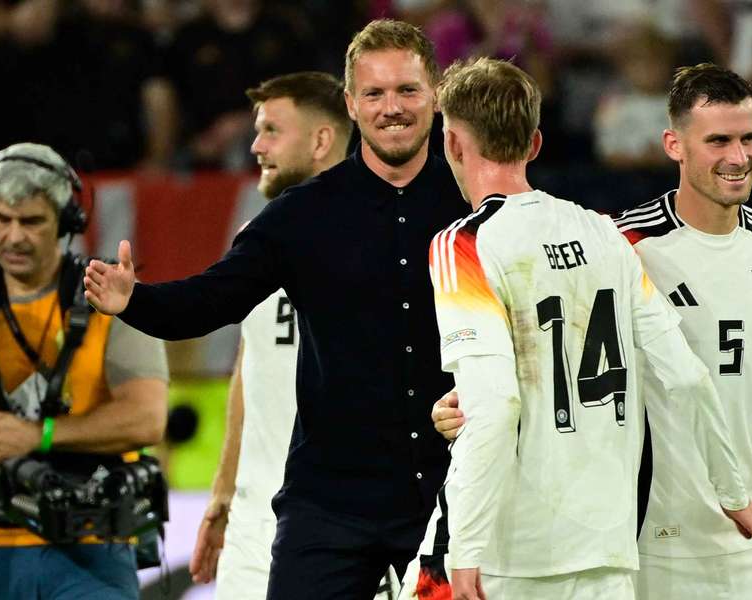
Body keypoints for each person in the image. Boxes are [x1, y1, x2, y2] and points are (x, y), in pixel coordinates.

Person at [84, 19, 467, 599]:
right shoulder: (299, 215)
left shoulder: (474, 204)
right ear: (350, 104)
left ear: (435, 95)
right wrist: (133, 299)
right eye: (375, 93)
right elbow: (209, 299)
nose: (393, 108)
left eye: (407, 90)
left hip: (452, 497)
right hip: (331, 507)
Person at [433, 62, 752, 600]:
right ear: (674, 144)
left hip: (734, 532)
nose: (738, 157)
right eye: (718, 140)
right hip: (643, 540)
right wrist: (468, 399)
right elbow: (558, 358)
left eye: (749, 138)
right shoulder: (619, 242)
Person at [187, 72, 353, 598]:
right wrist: (222, 493)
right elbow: (249, 365)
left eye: (272, 131)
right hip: (254, 529)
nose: (255, 146)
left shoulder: (381, 244)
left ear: (322, 141)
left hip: (343, 529)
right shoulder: (253, 240)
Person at [0, 142, 169, 598]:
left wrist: (39, 435)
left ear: (67, 223)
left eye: (31, 221)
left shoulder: (111, 300)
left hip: (91, 549)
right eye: (0, 219)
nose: (13, 236)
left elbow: (146, 419)